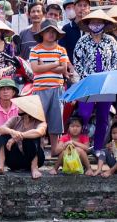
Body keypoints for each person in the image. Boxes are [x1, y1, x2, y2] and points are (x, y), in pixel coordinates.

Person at [73, 10, 117, 153]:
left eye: (99, 22)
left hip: (105, 84)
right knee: (83, 116)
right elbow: (77, 61)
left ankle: (98, 147)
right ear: (88, 24)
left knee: (103, 117)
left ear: (104, 24)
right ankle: (79, 146)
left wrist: (110, 75)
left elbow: (116, 60)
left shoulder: (111, 41)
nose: (96, 25)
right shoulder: (82, 41)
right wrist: (87, 76)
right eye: (93, 22)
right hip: (88, 83)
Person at [30, 18, 69, 157]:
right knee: (39, 121)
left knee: (56, 120)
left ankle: (54, 150)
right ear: (42, 33)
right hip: (40, 89)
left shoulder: (61, 49)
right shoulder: (35, 49)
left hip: (57, 89)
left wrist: (44, 66)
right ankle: (38, 151)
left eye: (54, 31)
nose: (51, 34)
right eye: (48, 31)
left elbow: (63, 68)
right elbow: (35, 68)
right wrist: (54, 64)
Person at [0, 95, 47, 178]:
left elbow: (39, 132)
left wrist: (19, 136)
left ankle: (34, 168)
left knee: (32, 138)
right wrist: (12, 132)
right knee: (4, 136)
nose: (18, 108)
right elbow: (1, 129)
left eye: (22, 106)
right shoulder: (15, 120)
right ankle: (0, 166)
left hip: (35, 158)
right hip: (16, 159)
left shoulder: (40, 123)